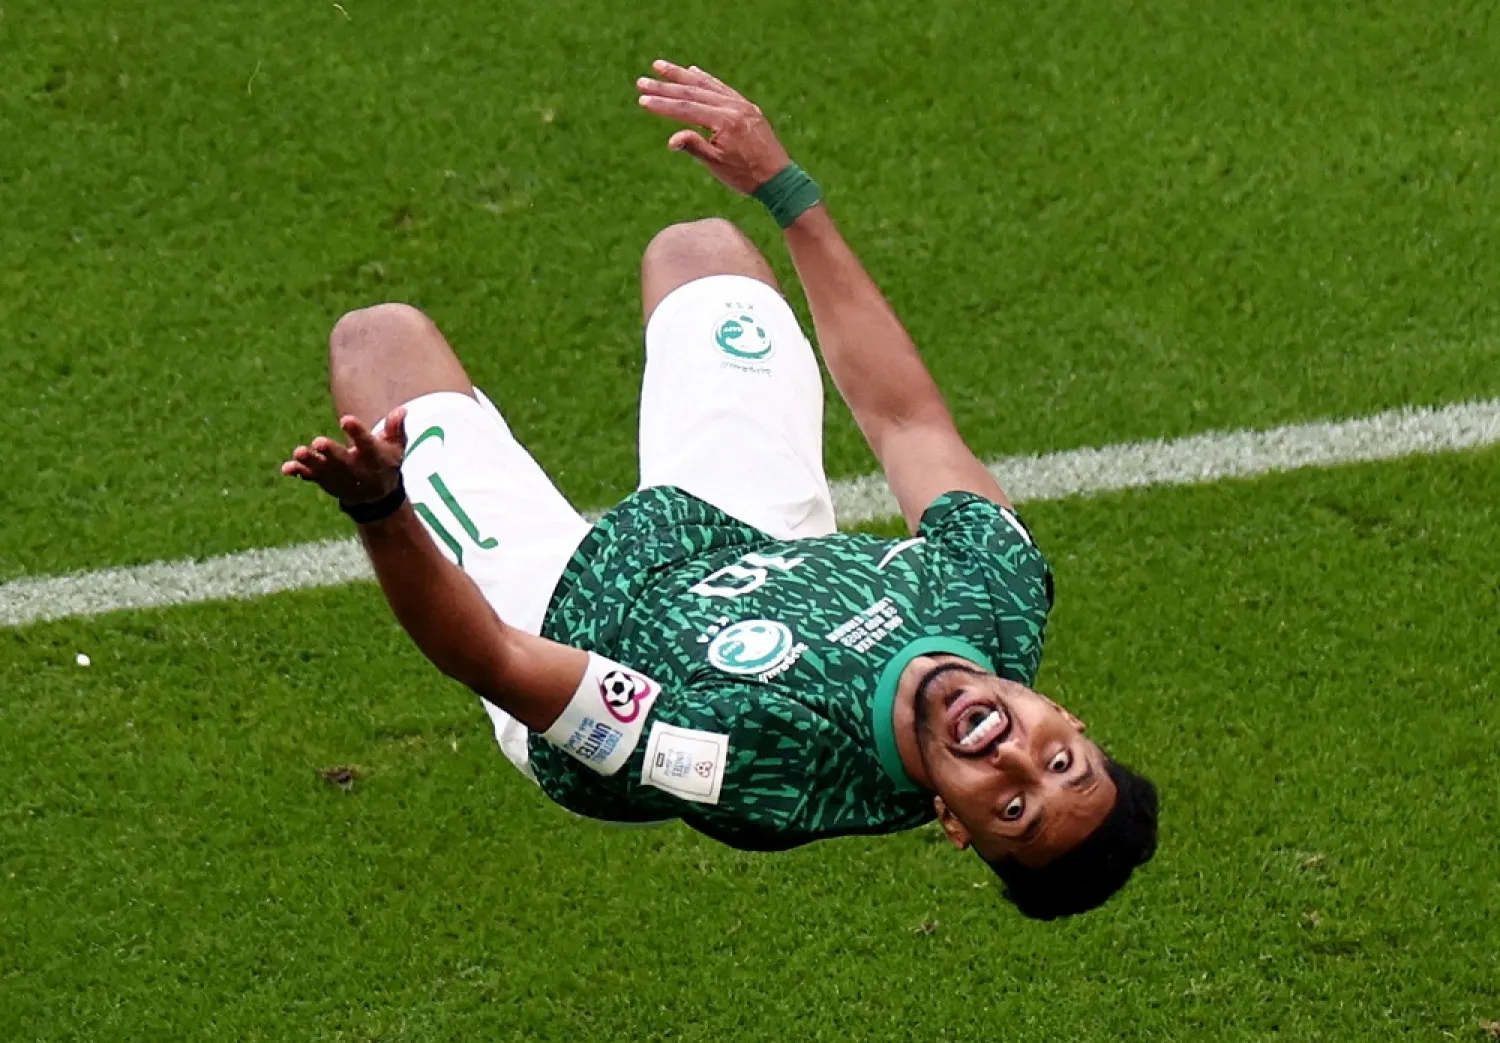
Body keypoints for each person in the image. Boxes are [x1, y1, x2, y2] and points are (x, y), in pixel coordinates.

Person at [282, 60, 1158, 919]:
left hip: (575, 623)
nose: (1014, 763)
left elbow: (496, 659)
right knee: (699, 249)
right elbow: (907, 422)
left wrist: (380, 509)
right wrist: (786, 189)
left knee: (376, 339)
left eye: (1010, 810)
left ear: (955, 826)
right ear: (1069, 719)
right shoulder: (996, 592)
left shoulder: (769, 765)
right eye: (1061, 764)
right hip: (749, 541)